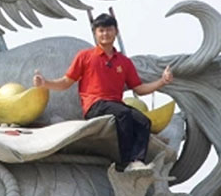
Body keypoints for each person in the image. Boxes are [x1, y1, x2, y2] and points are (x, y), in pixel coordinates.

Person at [33, 13, 173, 171]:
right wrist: (45, 83)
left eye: (109, 29)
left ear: (116, 31)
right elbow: (66, 82)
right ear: (95, 33)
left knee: (143, 121)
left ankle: (137, 161)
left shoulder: (124, 62)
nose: (105, 34)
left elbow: (139, 89)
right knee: (123, 114)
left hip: (115, 104)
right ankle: (125, 163)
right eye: (101, 30)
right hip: (95, 105)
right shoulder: (85, 56)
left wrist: (162, 81)